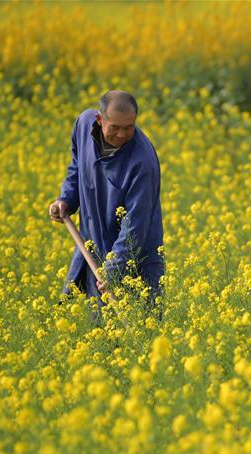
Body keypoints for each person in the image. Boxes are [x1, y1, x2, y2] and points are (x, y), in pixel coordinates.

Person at [49, 90, 164, 304]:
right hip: (95, 252)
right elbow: (78, 166)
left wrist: (113, 269)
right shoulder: (84, 126)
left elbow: (135, 226)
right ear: (100, 120)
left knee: (142, 330)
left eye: (128, 128)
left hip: (135, 260)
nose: (121, 135)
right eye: (115, 128)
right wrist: (66, 199)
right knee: (100, 330)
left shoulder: (142, 162)